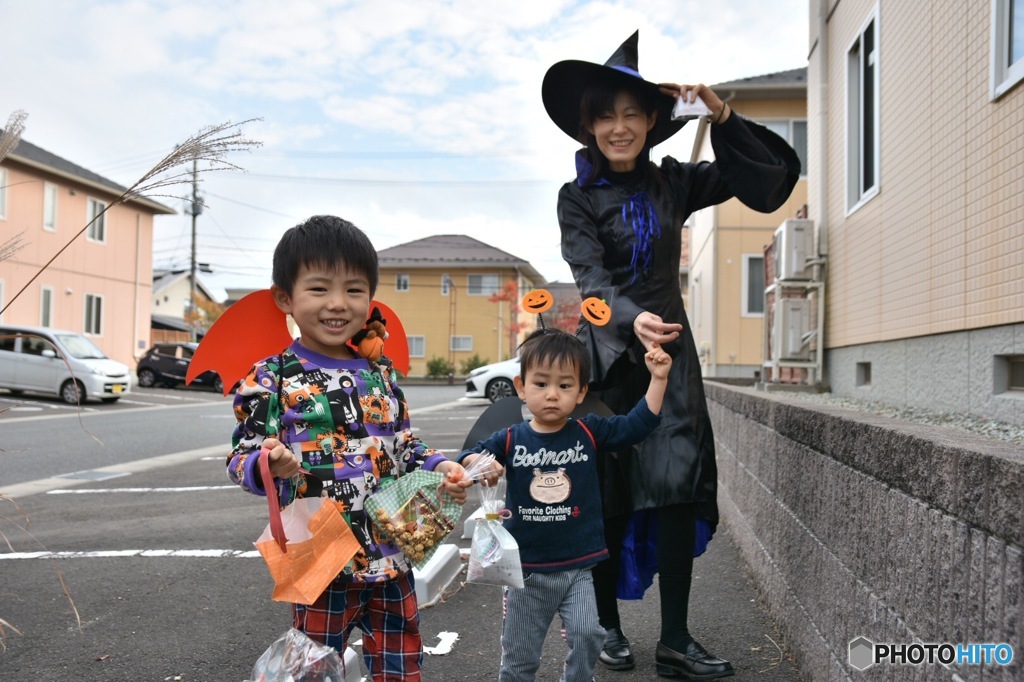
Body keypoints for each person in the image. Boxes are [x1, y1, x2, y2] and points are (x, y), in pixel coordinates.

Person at [541, 31, 801, 679]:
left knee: (679, 492)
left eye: (633, 112)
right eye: (605, 115)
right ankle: (608, 628)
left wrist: (721, 113)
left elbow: (769, 185)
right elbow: (592, 283)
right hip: (607, 363)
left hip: (674, 364)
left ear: (654, 120)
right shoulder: (576, 198)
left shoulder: (675, 183)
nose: (619, 126)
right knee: (608, 496)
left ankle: (677, 639)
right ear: (588, 125)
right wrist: (635, 322)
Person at [226, 215, 472, 681]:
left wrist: (441, 466)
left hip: (393, 549)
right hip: (321, 559)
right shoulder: (270, 377)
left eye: (354, 290)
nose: (338, 304)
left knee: (402, 666)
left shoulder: (380, 372)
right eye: (319, 289)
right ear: (286, 298)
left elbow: (404, 445)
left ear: (370, 298)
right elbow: (240, 458)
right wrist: (267, 463)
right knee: (314, 669)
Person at [459, 328, 672, 682]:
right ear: (521, 387)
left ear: (581, 391)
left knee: (591, 634)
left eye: (565, 385)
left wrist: (658, 379)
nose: (552, 395)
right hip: (525, 571)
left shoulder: (588, 432)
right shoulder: (511, 438)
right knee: (520, 658)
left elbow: (637, 425)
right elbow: (468, 455)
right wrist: (481, 464)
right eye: (541, 384)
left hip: (578, 568)